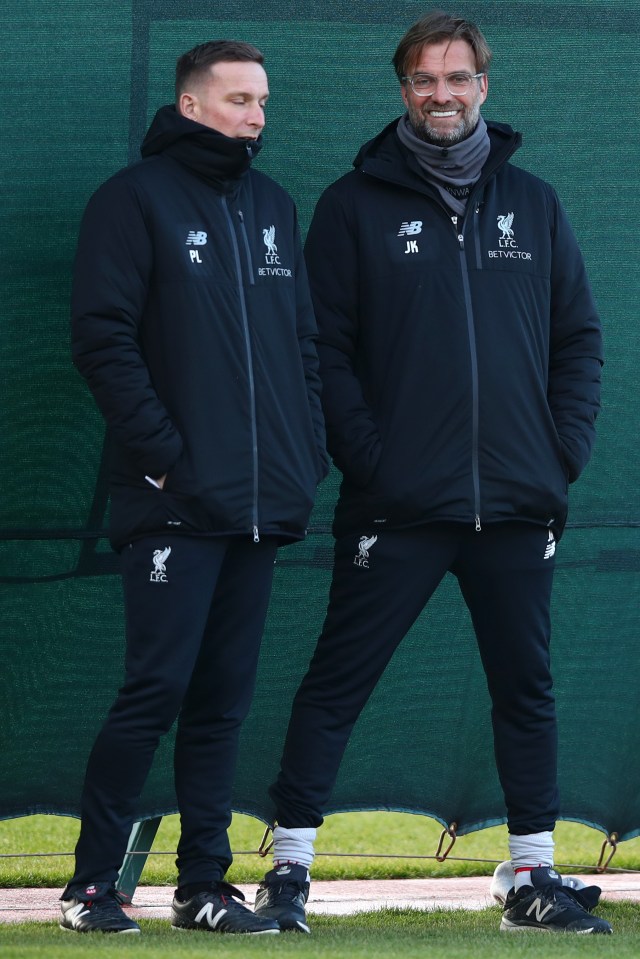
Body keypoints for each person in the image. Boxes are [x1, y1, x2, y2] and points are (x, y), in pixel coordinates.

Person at [253, 11, 611, 936]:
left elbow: (579, 339)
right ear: (403, 91)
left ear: (483, 86)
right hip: (397, 505)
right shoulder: (352, 206)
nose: (442, 96)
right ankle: (289, 868)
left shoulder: (533, 203)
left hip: (520, 502)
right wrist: (371, 459)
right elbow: (320, 348)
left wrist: (557, 452)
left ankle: (531, 874)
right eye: (424, 80)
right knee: (338, 681)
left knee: (525, 687)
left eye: (457, 79)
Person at [60, 39, 328, 935]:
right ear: (190, 106)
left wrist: (304, 450)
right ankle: (92, 887)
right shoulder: (131, 202)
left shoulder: (273, 205)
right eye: (240, 99)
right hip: (172, 502)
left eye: (263, 99)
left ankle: (203, 887)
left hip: (262, 503)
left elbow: (302, 347)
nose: (257, 115)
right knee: (156, 689)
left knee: (222, 702)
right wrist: (168, 457)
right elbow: (103, 339)